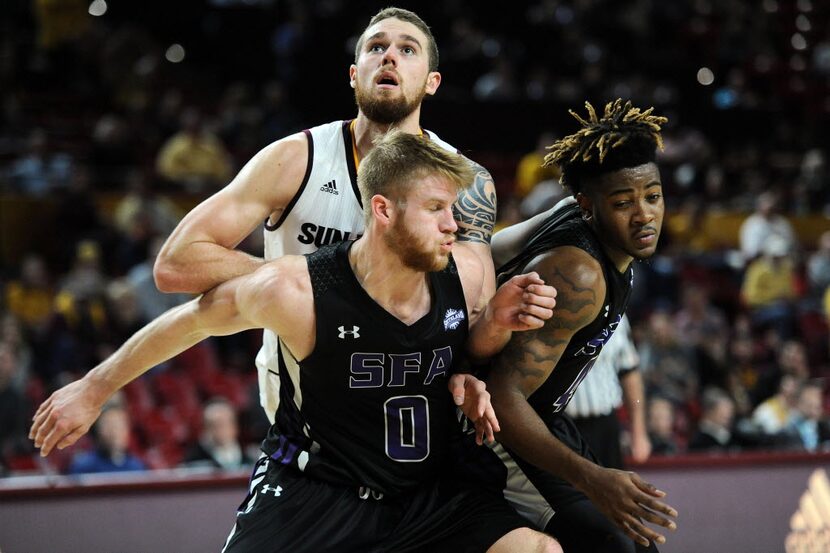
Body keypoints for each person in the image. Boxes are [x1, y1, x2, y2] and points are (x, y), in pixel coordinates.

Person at [31, 131, 560, 553]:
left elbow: (463, 351)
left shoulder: (465, 270)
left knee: (537, 549)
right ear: (383, 211)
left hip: (425, 495)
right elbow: (190, 321)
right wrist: (95, 388)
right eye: (437, 209)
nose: (454, 225)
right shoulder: (296, 289)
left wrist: (482, 346)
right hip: (317, 491)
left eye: (454, 210)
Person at [151, 7, 501, 428]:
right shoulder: (295, 159)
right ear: (354, 73)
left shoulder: (465, 180)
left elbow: (477, 308)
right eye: (376, 47)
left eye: (407, 49)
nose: (389, 56)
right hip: (304, 409)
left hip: (414, 405)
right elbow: (176, 264)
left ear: (432, 82)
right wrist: (296, 282)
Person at [458, 100, 678, 552]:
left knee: (635, 542)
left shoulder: (585, 224)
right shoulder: (578, 274)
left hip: (543, 417)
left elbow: (491, 250)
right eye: (623, 203)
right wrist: (590, 477)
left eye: (652, 196)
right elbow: (504, 394)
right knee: (613, 544)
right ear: (588, 206)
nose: (643, 215)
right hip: (494, 429)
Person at [565, 314, 651, 469]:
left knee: (611, 490)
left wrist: (639, 431)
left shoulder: (617, 312)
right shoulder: (551, 309)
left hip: (606, 426)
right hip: (562, 427)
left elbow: (630, 372)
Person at [66, 401, 147, 475]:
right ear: (98, 430)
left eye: (119, 425)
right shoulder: (84, 466)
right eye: (109, 425)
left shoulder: (136, 466)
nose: (114, 432)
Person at [181, 398, 256, 470]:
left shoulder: (251, 457)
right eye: (214, 424)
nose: (220, 429)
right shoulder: (193, 461)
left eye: (224, 424)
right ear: (205, 428)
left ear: (235, 427)